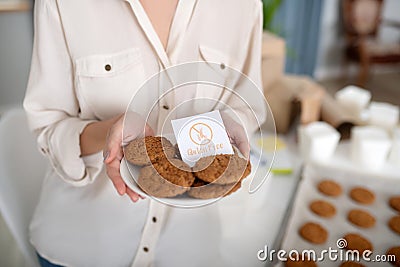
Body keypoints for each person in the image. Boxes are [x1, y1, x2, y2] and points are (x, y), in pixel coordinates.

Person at [24, 0, 266, 266]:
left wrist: (229, 124)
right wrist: (108, 133)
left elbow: (245, 107)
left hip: (189, 249)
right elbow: (49, 126)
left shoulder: (242, 6)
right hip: (83, 246)